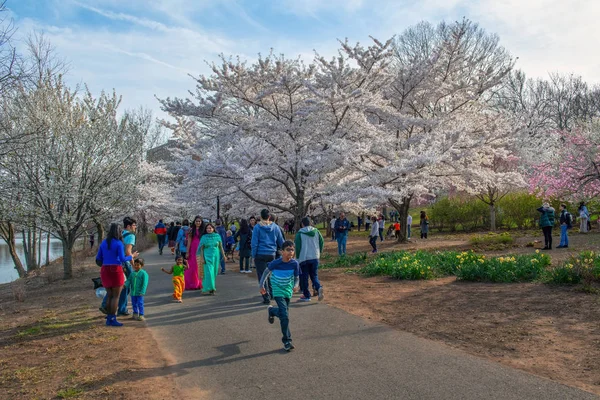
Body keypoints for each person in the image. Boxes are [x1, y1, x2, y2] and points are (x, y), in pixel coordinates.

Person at [96, 223, 139, 327]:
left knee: (109, 295)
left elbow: (98, 258)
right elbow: (123, 258)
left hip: (105, 269)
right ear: (119, 232)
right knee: (116, 296)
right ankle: (112, 318)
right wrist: (132, 256)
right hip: (116, 269)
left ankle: (108, 319)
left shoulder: (103, 243)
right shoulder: (119, 243)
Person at [260, 240, 299, 352]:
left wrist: (296, 285)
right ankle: (287, 341)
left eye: (292, 250)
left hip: (287, 290)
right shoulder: (276, 263)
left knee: (283, 314)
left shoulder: (295, 264)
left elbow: (296, 277)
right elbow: (266, 272)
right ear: (282, 252)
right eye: (288, 250)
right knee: (285, 315)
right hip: (277, 290)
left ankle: (272, 311)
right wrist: (261, 285)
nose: (290, 252)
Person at [252, 209, 284, 304]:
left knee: (262, 276)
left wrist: (254, 255)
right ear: (269, 217)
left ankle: (265, 296)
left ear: (260, 217)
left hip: (260, 254)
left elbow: (254, 243)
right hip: (272, 254)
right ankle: (272, 293)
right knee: (270, 275)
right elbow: (281, 241)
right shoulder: (275, 227)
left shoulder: (257, 227)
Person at [294, 217, 324, 302]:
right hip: (315, 256)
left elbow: (298, 247)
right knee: (314, 276)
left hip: (304, 258)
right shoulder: (316, 231)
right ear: (310, 223)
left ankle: (307, 295)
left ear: (302, 224)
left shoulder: (300, 233)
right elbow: (321, 242)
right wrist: (319, 251)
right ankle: (318, 288)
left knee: (304, 277)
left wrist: (297, 258)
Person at [199, 223, 225, 295]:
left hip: (216, 257)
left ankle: (210, 287)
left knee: (213, 273)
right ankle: (211, 288)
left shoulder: (217, 236)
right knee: (209, 273)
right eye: (207, 228)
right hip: (207, 256)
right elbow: (201, 249)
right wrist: (202, 258)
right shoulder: (204, 237)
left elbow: (220, 247)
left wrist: (224, 256)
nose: (209, 229)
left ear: (213, 229)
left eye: (210, 228)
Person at [185, 216, 204, 290]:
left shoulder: (204, 230)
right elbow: (189, 241)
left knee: (200, 266)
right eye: (197, 221)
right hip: (193, 249)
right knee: (193, 266)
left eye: (199, 221)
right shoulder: (191, 230)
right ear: (194, 222)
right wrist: (187, 252)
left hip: (201, 248)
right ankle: (193, 283)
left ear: (201, 222)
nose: (198, 222)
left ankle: (200, 283)